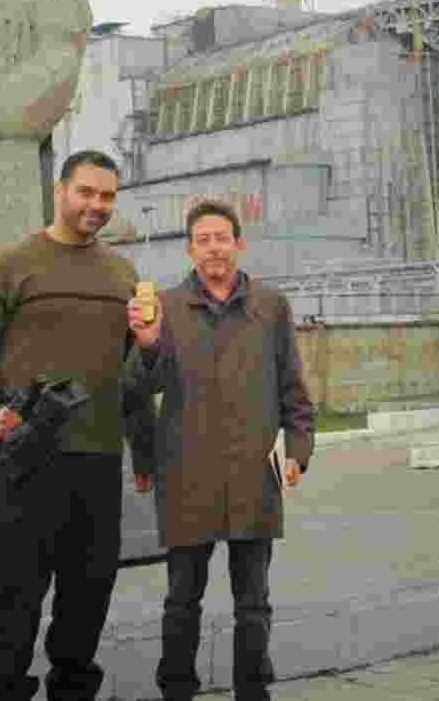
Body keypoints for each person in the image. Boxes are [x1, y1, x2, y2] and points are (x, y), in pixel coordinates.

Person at [0, 149, 155, 701]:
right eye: (87, 192)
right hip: (28, 458)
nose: (97, 204)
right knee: (20, 595)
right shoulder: (11, 264)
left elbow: (136, 373)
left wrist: (144, 450)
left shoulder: (123, 273)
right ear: (61, 191)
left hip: (99, 458)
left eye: (108, 196)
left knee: (89, 593)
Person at [122, 198, 315, 701]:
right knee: (182, 600)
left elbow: (293, 387)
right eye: (203, 240)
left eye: (221, 238)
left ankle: (254, 692)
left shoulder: (271, 306)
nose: (213, 248)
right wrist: (146, 345)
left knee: (254, 603)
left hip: (254, 476)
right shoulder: (163, 309)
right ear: (190, 249)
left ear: (238, 243)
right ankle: (176, 691)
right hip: (186, 477)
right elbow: (138, 392)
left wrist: (297, 449)